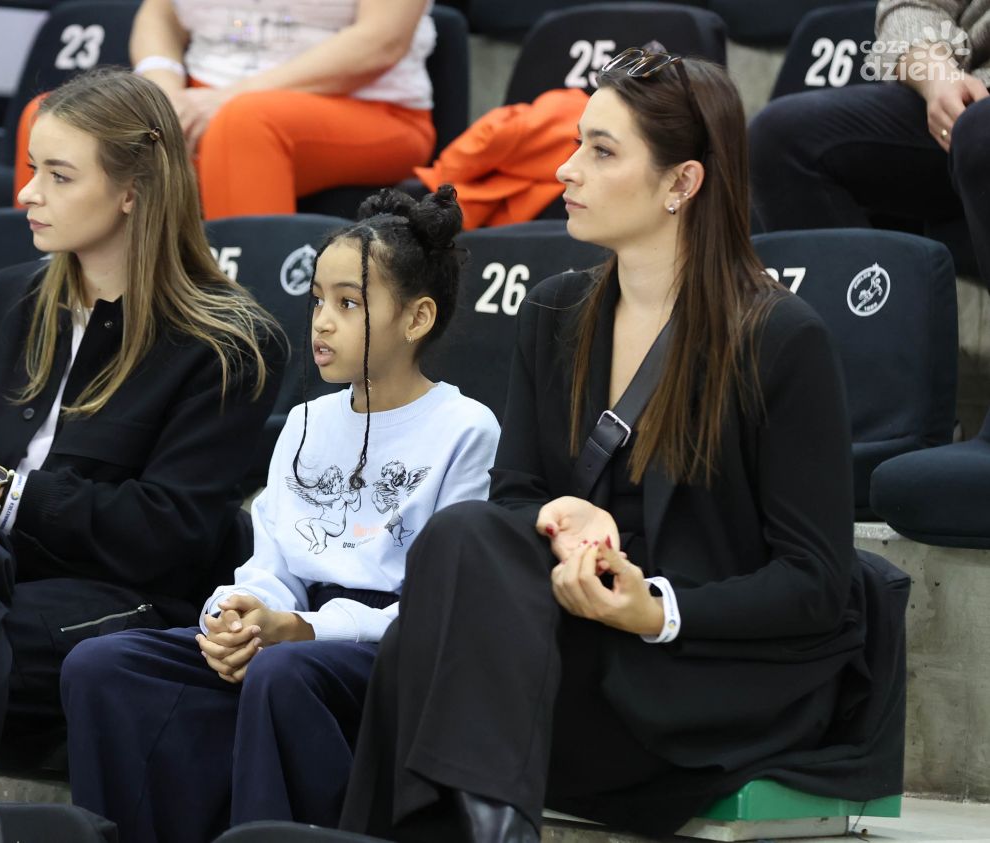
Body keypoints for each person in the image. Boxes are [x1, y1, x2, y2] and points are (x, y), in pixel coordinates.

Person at [339, 49, 892, 842]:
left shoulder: (781, 338)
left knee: (426, 643)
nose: (567, 170)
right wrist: (563, 517)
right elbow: (516, 500)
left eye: (601, 151)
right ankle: (494, 827)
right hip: (576, 645)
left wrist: (654, 608)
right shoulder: (554, 311)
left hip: (700, 674)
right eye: (577, 144)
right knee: (463, 538)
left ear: (682, 183)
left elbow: (815, 583)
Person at [0, 67, 285, 792]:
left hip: (122, 596)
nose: (27, 193)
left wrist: (4, 496)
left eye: (58, 176)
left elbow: (170, 532)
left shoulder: (228, 343)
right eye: (32, 168)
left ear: (133, 190)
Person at [60, 186, 501, 843]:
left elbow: (438, 607)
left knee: (280, 670)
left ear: (417, 318)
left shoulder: (465, 427)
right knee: (101, 666)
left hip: (387, 651)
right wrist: (238, 616)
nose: (322, 322)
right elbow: (271, 563)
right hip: (289, 638)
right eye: (317, 300)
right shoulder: (305, 421)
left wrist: (304, 630)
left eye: (349, 303)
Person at [750, 0, 989, 285]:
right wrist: (937, 76)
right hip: (961, 88)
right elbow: (910, 6)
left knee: (979, 131)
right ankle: (859, 310)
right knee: (779, 137)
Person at [129, 0, 437, 219]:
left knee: (243, 125)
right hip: (199, 94)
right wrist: (165, 96)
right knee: (121, 128)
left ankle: (249, 292)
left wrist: (226, 99)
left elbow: (383, 39)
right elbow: (160, 15)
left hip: (365, 104)